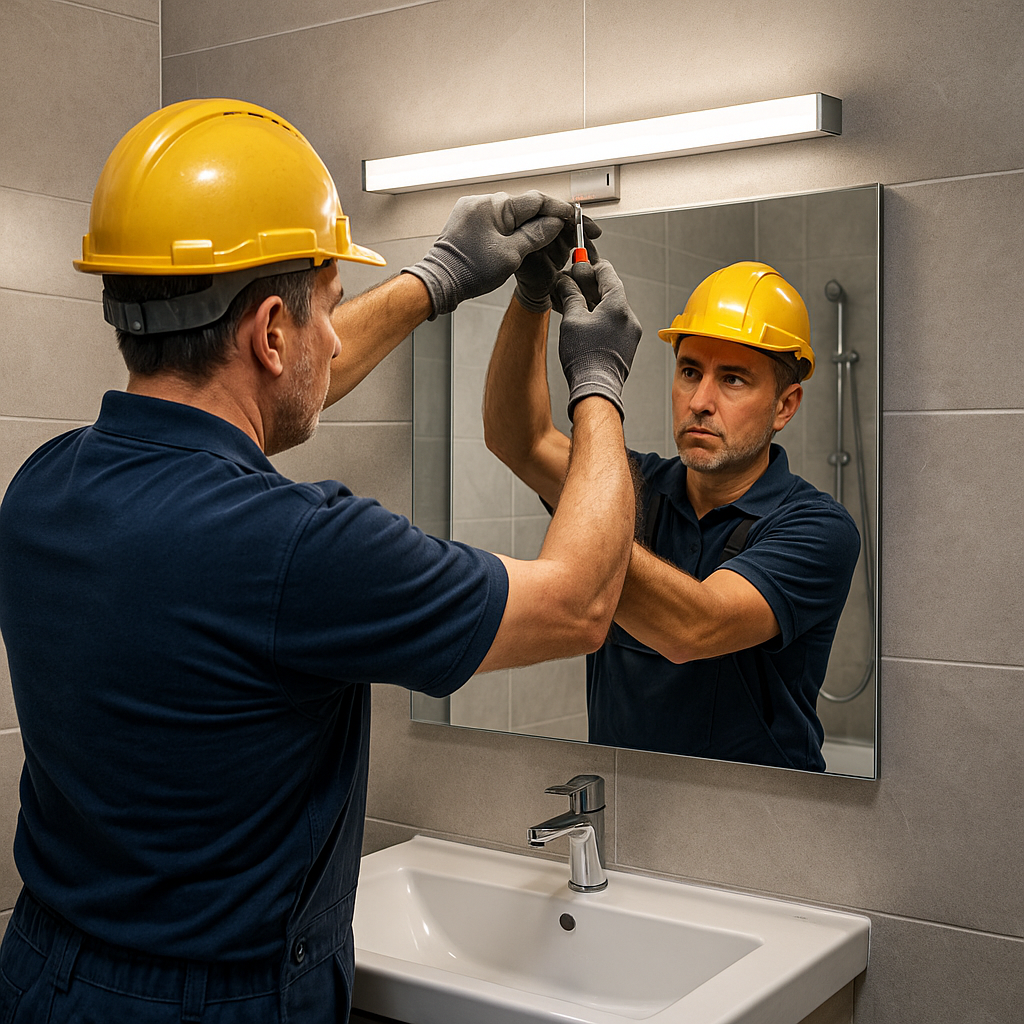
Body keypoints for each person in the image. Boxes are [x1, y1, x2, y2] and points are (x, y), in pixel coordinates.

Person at [0, 98, 641, 1023]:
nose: (336, 341)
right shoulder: (300, 548)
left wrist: (439, 279)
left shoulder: (43, 488)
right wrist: (600, 387)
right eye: (327, 312)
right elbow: (579, 605)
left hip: (42, 975)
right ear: (268, 330)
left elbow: (268, 395)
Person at [484, 259, 860, 771]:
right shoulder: (630, 484)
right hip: (628, 807)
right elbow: (520, 440)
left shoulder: (818, 528)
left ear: (784, 406)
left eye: (733, 379)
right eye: (690, 372)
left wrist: (590, 519)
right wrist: (532, 294)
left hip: (770, 823)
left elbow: (694, 628)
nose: (700, 401)